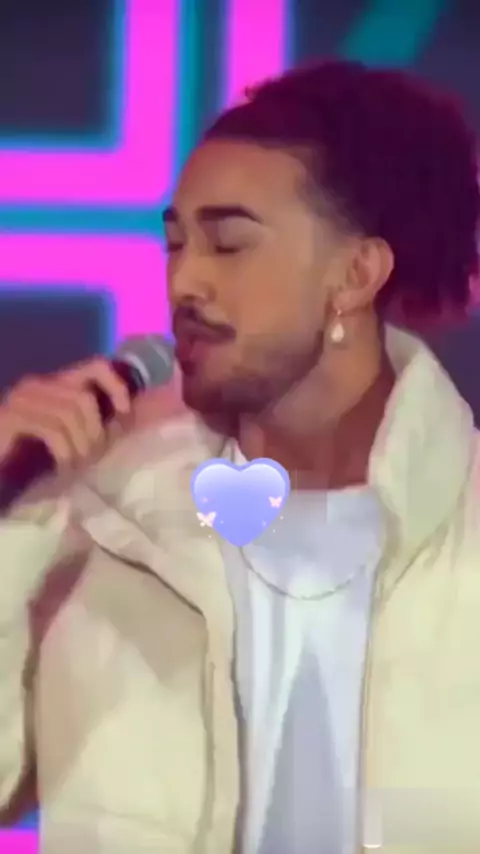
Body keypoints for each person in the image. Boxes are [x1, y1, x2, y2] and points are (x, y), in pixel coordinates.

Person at [0, 59, 479, 854]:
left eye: (228, 244)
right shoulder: (93, 515)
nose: (184, 281)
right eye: (175, 244)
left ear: (355, 274)